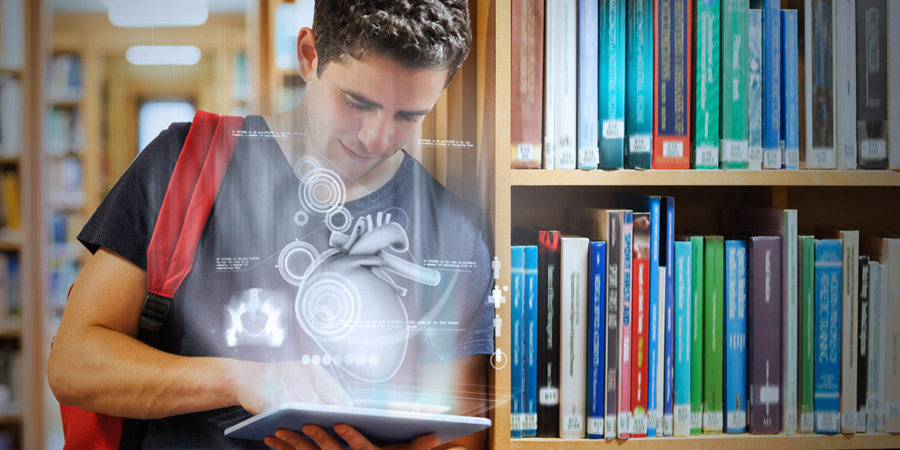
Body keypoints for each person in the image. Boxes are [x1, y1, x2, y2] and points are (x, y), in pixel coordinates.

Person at [47, 1, 494, 449]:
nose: (376, 138)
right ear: (309, 54)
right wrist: (238, 379)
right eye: (357, 102)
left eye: (408, 116)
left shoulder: (455, 231)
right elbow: (73, 364)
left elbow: (456, 434)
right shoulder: (183, 165)